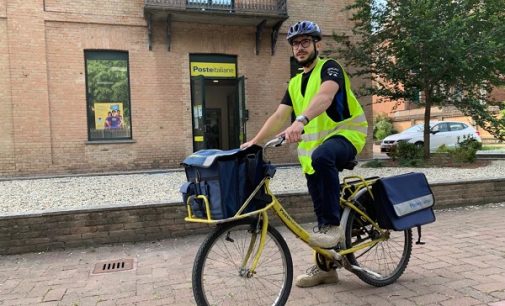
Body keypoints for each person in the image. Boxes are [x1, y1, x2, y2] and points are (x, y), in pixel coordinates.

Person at [241, 20, 368, 288]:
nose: (300, 48)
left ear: (316, 45)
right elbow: (278, 116)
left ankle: (334, 227)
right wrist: (254, 142)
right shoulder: (295, 83)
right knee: (320, 207)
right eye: (295, 44)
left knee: (323, 158)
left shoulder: (330, 68)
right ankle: (327, 268)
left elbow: (326, 96)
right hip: (313, 155)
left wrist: (300, 121)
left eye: (305, 42)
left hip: (347, 137)